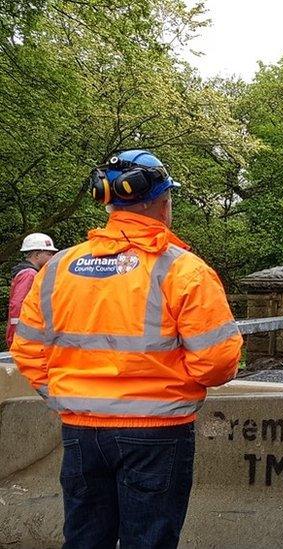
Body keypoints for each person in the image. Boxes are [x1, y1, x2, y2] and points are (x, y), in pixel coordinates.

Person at [10, 149, 242, 548]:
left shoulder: (57, 269)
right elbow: (218, 363)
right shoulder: (183, 270)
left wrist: (70, 396)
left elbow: (27, 351)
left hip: (81, 432)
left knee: (84, 538)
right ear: (164, 202)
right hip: (157, 434)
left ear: (109, 203)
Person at [5, 233, 57, 347]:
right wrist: (17, 333)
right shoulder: (29, 274)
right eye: (49, 253)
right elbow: (18, 305)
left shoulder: (27, 272)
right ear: (37, 254)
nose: (52, 257)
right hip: (22, 336)